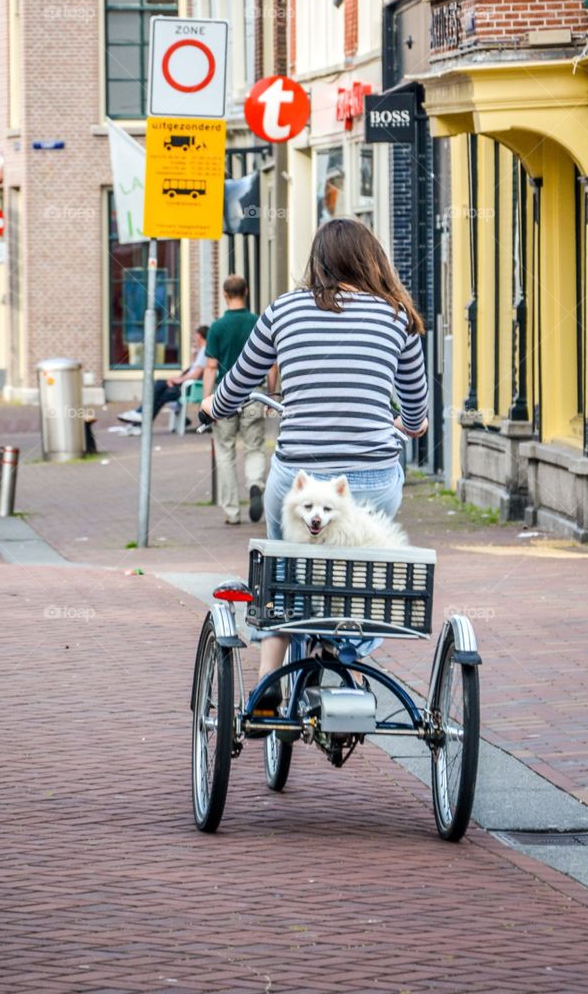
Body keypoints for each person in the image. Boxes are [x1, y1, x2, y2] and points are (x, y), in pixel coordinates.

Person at [201, 218, 428, 705]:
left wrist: (211, 409)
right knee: (360, 565)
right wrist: (410, 423)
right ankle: (340, 648)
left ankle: (268, 679)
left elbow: (241, 381)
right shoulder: (398, 314)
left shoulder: (283, 311)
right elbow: (415, 409)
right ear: (372, 260)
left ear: (317, 261)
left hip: (301, 475)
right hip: (371, 475)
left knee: (283, 565)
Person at [202, 275, 267, 526]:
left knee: (225, 451)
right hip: (254, 393)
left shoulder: (217, 327)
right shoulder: (257, 322)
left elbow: (210, 367)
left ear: (224, 295)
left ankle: (231, 512)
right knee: (254, 446)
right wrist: (270, 390)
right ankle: (254, 484)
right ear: (246, 291)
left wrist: (207, 401)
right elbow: (271, 363)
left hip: (225, 395)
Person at [118, 326, 209, 425]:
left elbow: (195, 374)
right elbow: (193, 370)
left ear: (200, 336)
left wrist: (179, 380)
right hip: (185, 384)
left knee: (160, 388)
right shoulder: (201, 351)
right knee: (160, 390)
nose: (194, 337)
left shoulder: (205, 351)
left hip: (188, 387)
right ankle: (140, 420)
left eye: (196, 335)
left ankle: (140, 417)